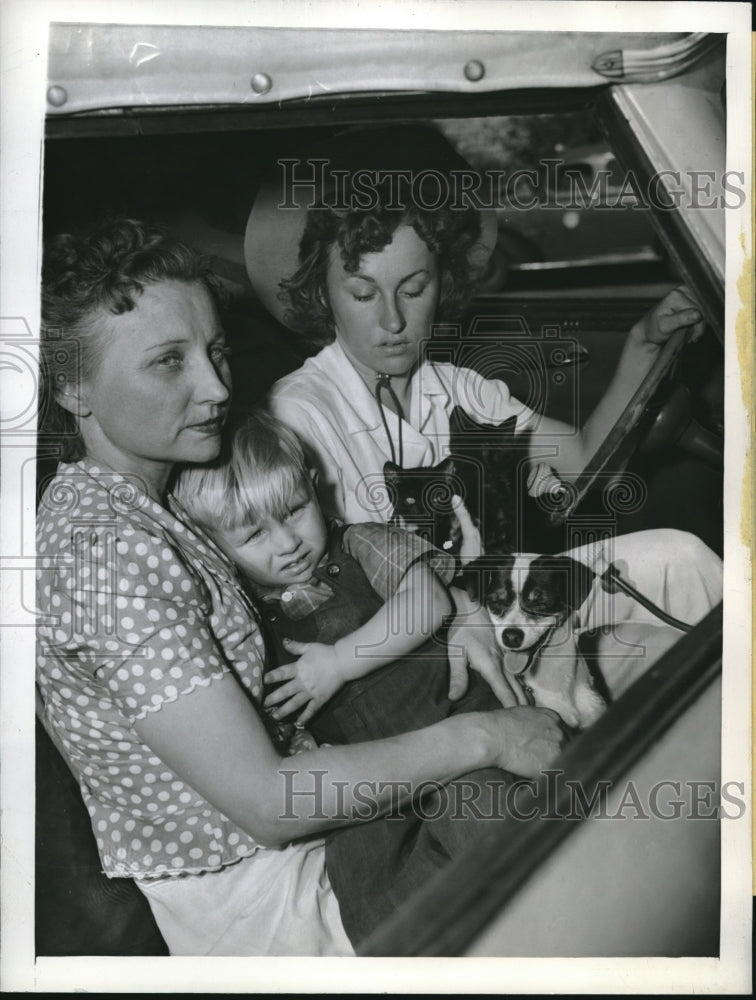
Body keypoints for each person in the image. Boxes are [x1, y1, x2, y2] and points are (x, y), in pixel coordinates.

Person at [35, 218, 566, 957]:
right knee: (550, 861)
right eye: (167, 362)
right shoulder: (103, 550)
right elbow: (269, 803)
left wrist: (460, 611)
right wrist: (486, 736)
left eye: (217, 351)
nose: (217, 386)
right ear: (70, 385)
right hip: (266, 897)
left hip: (314, 838)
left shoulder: (152, 498)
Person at [248, 126, 722, 690]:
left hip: (511, 602)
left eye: (414, 288)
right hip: (419, 637)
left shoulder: (456, 386)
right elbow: (346, 583)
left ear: (441, 282)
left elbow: (582, 460)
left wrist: (642, 344)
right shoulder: (300, 413)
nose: (393, 321)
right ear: (324, 294)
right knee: (665, 651)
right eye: (363, 294)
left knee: (682, 560)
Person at [174, 409, 528, 943]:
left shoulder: (362, 542)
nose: (286, 541)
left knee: (493, 834)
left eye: (294, 510)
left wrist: (339, 661)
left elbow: (427, 603)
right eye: (253, 535)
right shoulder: (245, 616)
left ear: (315, 489)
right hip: (366, 793)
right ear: (216, 548)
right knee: (370, 897)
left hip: (457, 737)